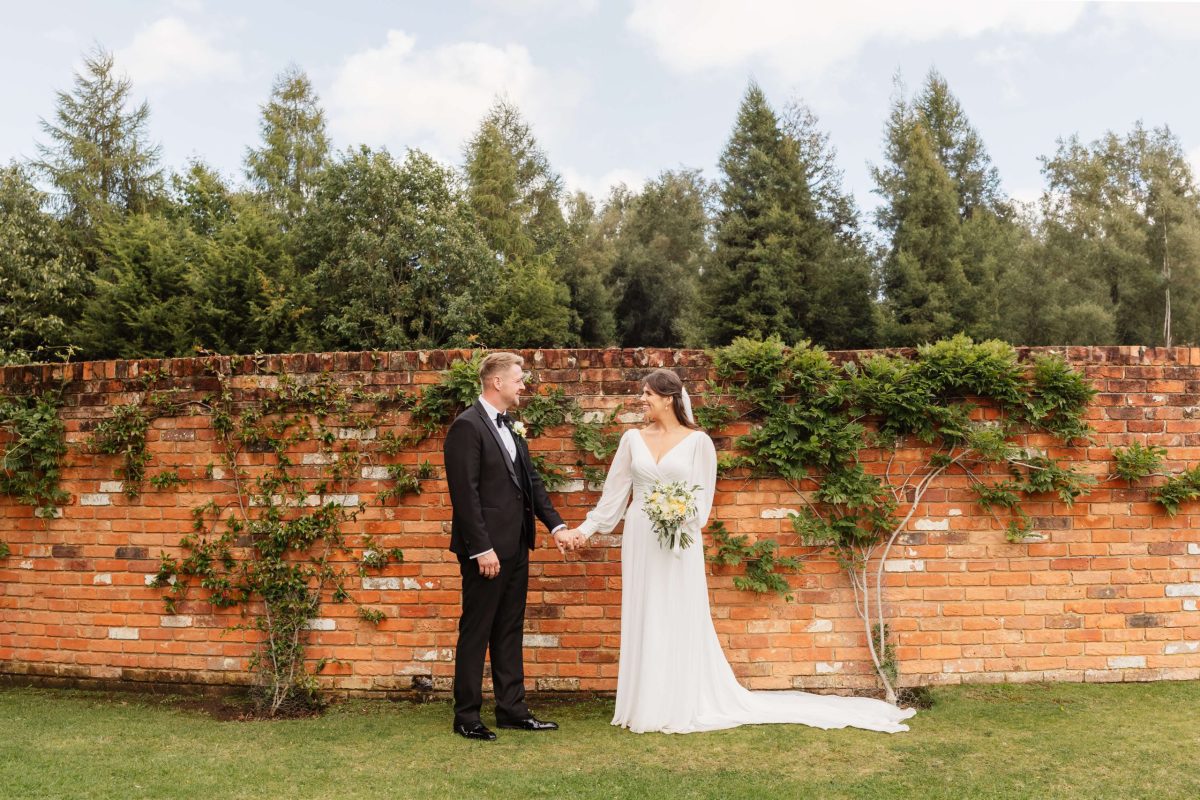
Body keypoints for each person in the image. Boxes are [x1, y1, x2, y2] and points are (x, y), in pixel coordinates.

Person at [557, 368, 917, 734]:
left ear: (668, 398)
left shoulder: (699, 443)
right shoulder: (631, 439)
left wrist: (676, 513)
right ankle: (645, 703)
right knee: (646, 609)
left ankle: (680, 701)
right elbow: (613, 498)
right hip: (640, 537)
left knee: (677, 613)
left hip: (679, 540)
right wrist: (584, 531)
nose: (643, 401)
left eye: (648, 394)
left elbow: (701, 501)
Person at [443, 352, 575, 741]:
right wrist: (480, 548)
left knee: (509, 629)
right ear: (496, 382)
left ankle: (512, 710)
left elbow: (530, 481)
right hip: (486, 550)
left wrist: (557, 526)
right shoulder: (466, 426)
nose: (523, 385)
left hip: (517, 545)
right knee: (477, 630)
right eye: (518, 378)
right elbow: (464, 495)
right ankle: (466, 716)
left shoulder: (511, 426)